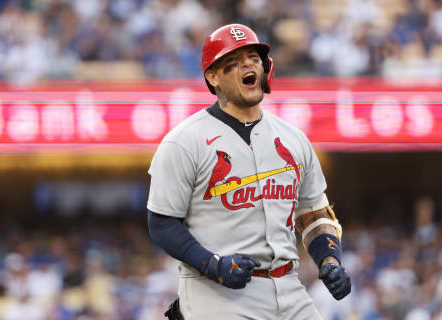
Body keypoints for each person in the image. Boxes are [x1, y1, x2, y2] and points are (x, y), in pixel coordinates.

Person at [147, 23, 351, 320]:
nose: (247, 65)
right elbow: (162, 222)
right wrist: (212, 264)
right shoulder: (185, 141)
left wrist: (330, 259)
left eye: (253, 59)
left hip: (288, 286)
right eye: (233, 62)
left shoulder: (293, 138)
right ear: (212, 77)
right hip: (217, 293)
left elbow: (314, 213)